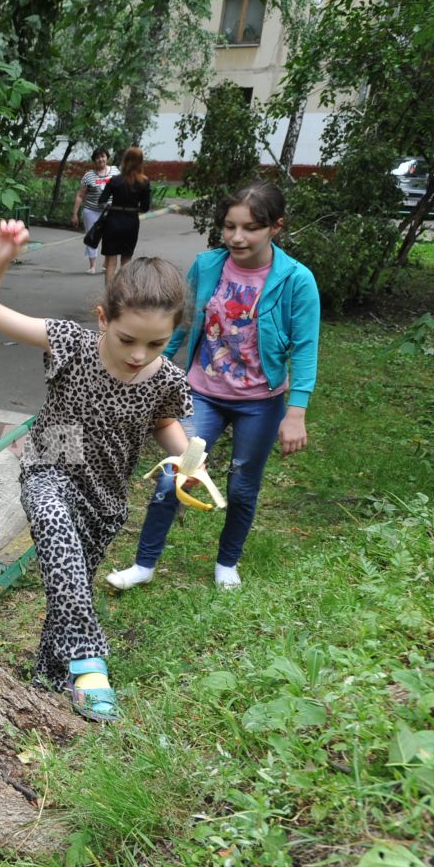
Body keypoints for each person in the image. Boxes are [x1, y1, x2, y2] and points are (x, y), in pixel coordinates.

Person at [0, 219, 192, 723]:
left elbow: (165, 424)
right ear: (102, 318)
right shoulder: (70, 342)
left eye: (155, 345)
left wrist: (185, 461)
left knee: (68, 587)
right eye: (128, 338)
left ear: (173, 334)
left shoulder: (167, 379)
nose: (139, 355)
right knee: (54, 534)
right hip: (52, 462)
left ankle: (45, 684)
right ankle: (91, 666)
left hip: (106, 497)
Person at [107, 181, 320, 593]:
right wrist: (149, 370)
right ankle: (144, 565)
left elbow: (306, 347)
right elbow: (178, 327)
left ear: (276, 227)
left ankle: (227, 564)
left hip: (261, 402)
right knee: (176, 476)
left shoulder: (296, 280)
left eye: (251, 228)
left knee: (242, 485)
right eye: (229, 226)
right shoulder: (207, 267)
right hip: (201, 393)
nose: (237, 237)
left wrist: (296, 412)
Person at [95, 146, 153, 286]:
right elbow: (145, 208)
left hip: (113, 221)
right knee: (126, 260)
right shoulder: (144, 182)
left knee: (110, 261)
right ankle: (122, 295)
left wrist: (112, 206)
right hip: (131, 222)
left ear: (125, 160)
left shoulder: (115, 180)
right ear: (140, 162)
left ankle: (109, 296)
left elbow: (102, 201)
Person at [70, 149, 113, 275]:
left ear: (107, 158)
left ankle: (106, 264)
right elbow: (80, 195)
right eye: (98, 158)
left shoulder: (115, 172)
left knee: (109, 237)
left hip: (110, 211)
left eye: (103, 156)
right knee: (92, 237)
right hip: (91, 211)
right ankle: (92, 265)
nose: (101, 160)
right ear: (94, 160)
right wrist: (74, 214)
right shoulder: (88, 176)